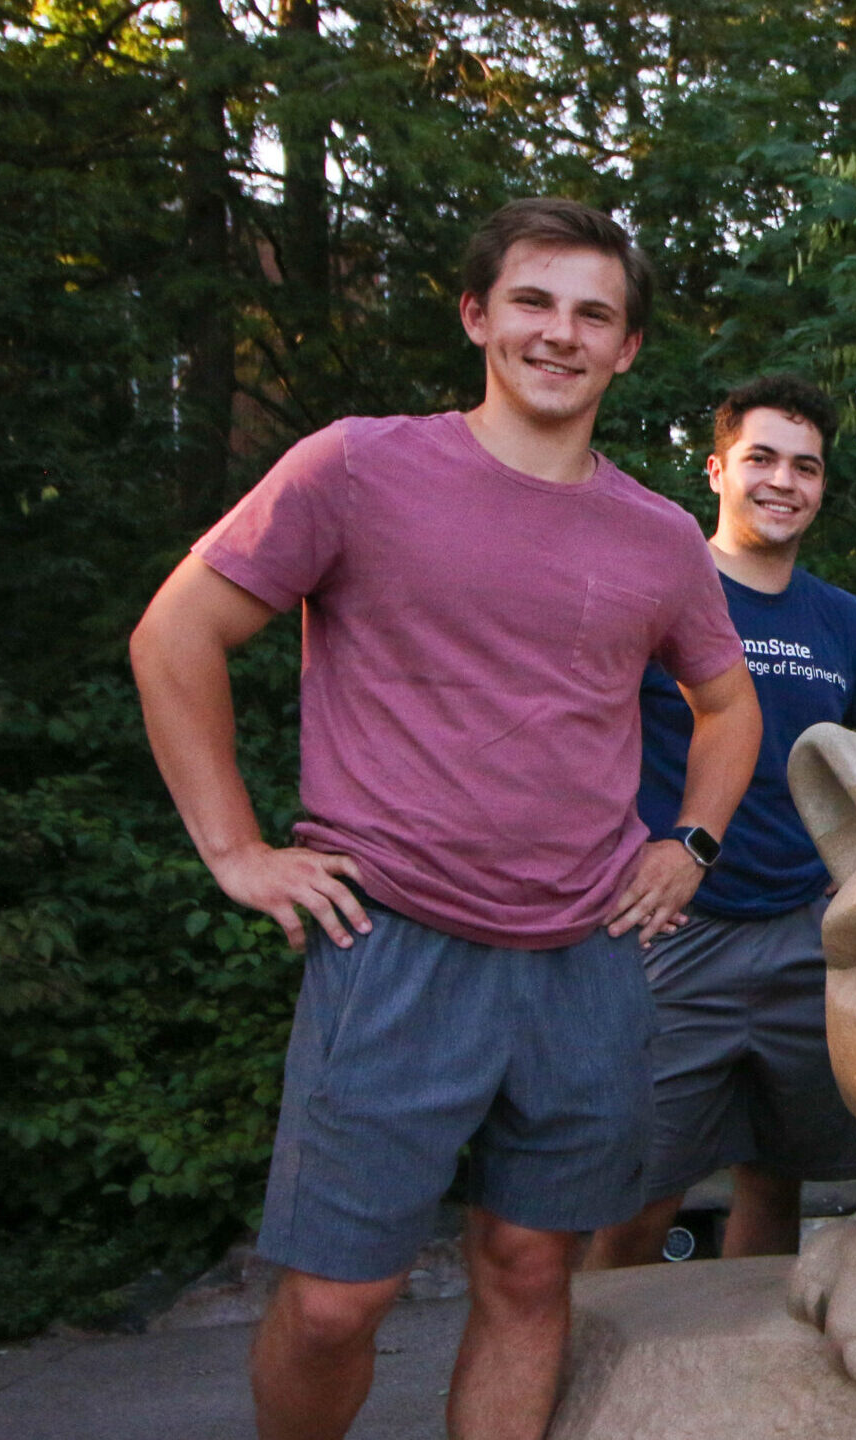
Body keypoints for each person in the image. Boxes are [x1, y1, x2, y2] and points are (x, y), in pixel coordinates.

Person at [128, 198, 763, 1440]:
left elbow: (728, 707)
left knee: (532, 1272)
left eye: (595, 314)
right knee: (334, 1300)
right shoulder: (358, 467)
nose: (560, 334)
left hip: (588, 957)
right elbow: (174, 635)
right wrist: (237, 851)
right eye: (533, 301)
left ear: (627, 347)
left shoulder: (657, 535)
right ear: (477, 314)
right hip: (396, 945)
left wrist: (687, 843)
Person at [584, 374, 856, 1269]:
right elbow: (574, 742)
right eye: (762, 459)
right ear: (716, 470)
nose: (783, 481)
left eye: (805, 467)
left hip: (803, 933)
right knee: (637, 1193)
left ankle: (750, 1390)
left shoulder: (840, 619)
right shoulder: (652, 590)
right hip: (670, 933)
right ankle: (593, 1394)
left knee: (779, 1177)